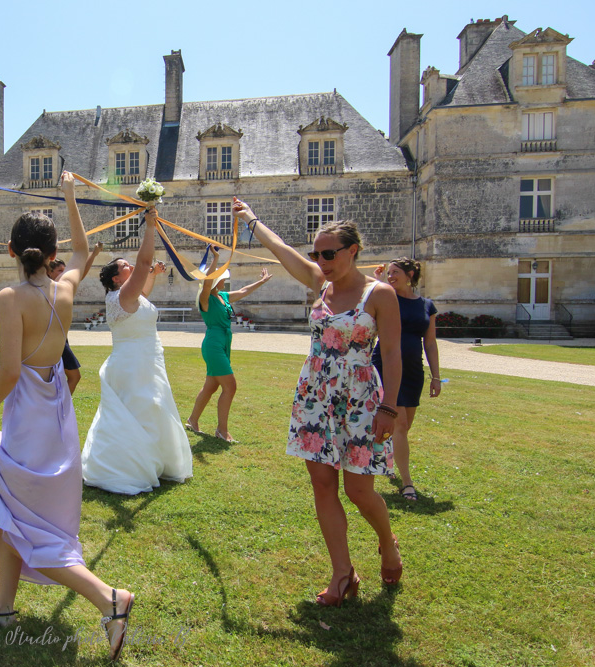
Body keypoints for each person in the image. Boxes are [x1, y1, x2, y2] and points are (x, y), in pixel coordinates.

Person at [0, 172, 134, 660]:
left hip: (28, 416)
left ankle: (110, 599)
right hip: (58, 412)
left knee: (26, 519)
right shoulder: (65, 286)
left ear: (10, 250)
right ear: (51, 250)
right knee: (13, 514)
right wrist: (68, 195)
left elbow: (6, 373)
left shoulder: (9, 297)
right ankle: (3, 605)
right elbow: (83, 251)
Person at [233, 197, 404, 605]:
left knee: (361, 492)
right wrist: (251, 220)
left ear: (353, 251)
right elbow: (282, 251)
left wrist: (389, 408)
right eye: (317, 253)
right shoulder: (319, 283)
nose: (321, 260)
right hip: (315, 396)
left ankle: (388, 541)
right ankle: (343, 574)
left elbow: (394, 355)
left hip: (361, 399)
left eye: (329, 253)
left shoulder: (379, 294)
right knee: (322, 485)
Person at [80, 208, 193, 495]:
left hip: (145, 359)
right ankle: (129, 466)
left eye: (131, 265)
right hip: (132, 364)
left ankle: (155, 460)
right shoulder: (120, 296)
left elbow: (143, 293)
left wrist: (151, 274)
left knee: (151, 408)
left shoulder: (128, 297)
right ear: (117, 279)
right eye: (126, 266)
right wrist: (151, 227)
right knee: (140, 409)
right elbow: (144, 262)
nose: (132, 266)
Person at [186, 245, 272, 442]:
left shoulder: (223, 296)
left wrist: (261, 281)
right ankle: (222, 431)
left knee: (211, 386)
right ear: (217, 279)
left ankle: (192, 420)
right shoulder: (205, 298)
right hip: (214, 344)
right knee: (230, 387)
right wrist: (215, 259)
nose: (226, 279)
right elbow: (207, 283)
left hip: (223, 342)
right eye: (223, 277)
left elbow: (243, 290)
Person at [372, 258, 441, 502]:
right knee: (399, 423)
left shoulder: (427, 306)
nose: (391, 276)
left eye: (395, 273)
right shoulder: (385, 297)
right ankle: (407, 483)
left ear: (410, 274)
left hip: (413, 370)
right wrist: (379, 281)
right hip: (386, 365)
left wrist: (436, 377)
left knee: (404, 426)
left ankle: (387, 456)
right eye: (388, 273)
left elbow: (430, 343)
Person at [46, 241, 103, 394]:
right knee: (74, 375)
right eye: (60, 271)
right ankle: (61, 407)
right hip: (52, 337)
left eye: (65, 271)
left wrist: (94, 254)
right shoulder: (50, 286)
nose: (64, 274)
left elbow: (80, 273)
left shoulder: (62, 287)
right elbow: (80, 271)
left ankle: (58, 406)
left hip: (61, 337)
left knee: (57, 376)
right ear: (49, 272)